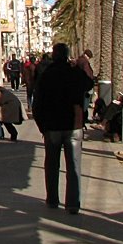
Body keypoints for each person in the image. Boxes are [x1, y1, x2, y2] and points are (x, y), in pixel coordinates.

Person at [33, 42, 95, 214]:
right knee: (74, 166)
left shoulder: (47, 75)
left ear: (54, 55)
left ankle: (52, 199)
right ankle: (73, 203)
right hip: (73, 125)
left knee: (51, 164)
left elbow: (37, 102)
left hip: (52, 127)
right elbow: (89, 84)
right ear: (67, 55)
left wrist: (42, 126)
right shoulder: (74, 73)